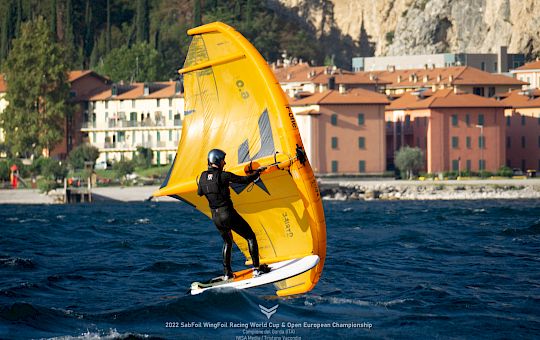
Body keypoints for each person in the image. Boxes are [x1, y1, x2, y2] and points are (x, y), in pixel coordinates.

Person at [198, 149, 270, 280]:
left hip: (216, 217)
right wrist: (257, 173)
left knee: (227, 242)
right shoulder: (223, 176)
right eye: (223, 160)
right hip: (227, 213)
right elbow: (244, 180)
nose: (224, 162)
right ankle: (256, 270)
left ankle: (227, 274)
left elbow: (200, 192)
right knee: (250, 236)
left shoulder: (202, 177)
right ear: (217, 161)